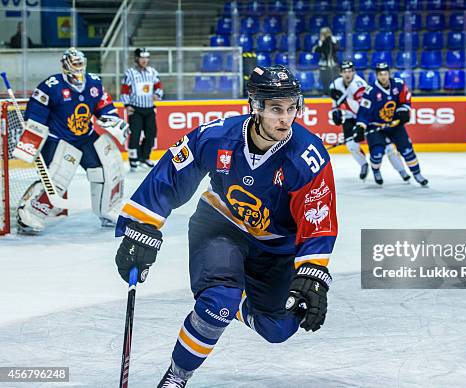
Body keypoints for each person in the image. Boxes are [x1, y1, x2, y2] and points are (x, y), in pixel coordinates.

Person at [113, 65, 337, 387]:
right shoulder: (217, 136)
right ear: (255, 105)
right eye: (276, 109)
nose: (285, 119)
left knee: (278, 329)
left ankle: (240, 301)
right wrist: (142, 227)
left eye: (291, 108)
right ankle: (177, 377)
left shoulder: (307, 156)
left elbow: (317, 219)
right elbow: (171, 175)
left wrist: (313, 274)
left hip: (275, 247)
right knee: (218, 302)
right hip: (221, 225)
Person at [14, 48, 128, 234]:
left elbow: (104, 106)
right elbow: (35, 115)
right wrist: (31, 139)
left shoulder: (94, 82)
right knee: (56, 179)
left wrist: (112, 120)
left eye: (80, 63)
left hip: (86, 136)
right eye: (74, 63)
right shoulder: (51, 86)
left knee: (105, 172)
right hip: (58, 139)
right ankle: (28, 214)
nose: (78, 67)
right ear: (65, 65)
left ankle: (107, 211)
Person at [329, 61, 409, 181]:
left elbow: (361, 109)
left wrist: (342, 100)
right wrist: (336, 112)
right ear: (340, 73)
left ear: (353, 72)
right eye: (344, 72)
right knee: (351, 145)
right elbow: (335, 103)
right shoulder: (334, 85)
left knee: (388, 148)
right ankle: (363, 165)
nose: (347, 74)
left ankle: (401, 170)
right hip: (350, 117)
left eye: (350, 71)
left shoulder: (360, 85)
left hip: (368, 118)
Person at [355, 63, 428, 186]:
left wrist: (403, 111)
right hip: (376, 126)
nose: (383, 77)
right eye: (380, 74)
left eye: (385, 74)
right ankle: (376, 170)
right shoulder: (370, 91)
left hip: (394, 125)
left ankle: (417, 174)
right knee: (377, 153)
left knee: (407, 150)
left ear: (388, 74)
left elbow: (405, 100)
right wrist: (360, 127)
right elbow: (363, 112)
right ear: (377, 75)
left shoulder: (398, 84)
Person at [120, 47, 164, 171]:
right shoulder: (130, 73)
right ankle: (134, 159)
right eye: (142, 57)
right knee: (135, 135)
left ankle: (145, 157)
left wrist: (157, 94)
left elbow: (159, 87)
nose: (144, 60)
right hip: (135, 109)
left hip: (149, 108)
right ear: (136, 59)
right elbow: (124, 90)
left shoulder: (153, 72)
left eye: (146, 57)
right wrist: (127, 105)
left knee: (151, 134)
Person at [312, 27, 338, 96]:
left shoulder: (333, 40)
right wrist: (321, 42)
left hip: (332, 63)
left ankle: (333, 93)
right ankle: (326, 93)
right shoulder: (321, 41)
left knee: (334, 79)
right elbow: (316, 50)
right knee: (325, 80)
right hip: (323, 63)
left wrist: (329, 41)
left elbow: (335, 49)